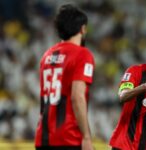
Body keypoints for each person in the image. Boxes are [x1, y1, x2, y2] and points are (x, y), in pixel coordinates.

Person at [35, 4, 94, 150]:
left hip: (43, 137)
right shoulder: (82, 54)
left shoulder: (47, 55)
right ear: (82, 29)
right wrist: (86, 136)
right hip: (68, 138)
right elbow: (77, 97)